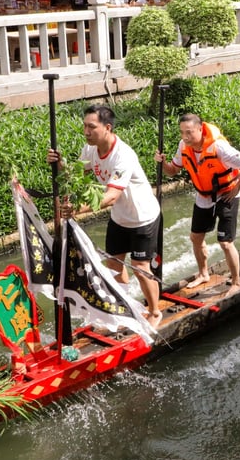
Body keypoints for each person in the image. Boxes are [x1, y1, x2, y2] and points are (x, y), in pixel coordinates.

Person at [47, 104, 163, 324]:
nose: (86, 132)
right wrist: (59, 163)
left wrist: (77, 210)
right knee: (114, 265)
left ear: (107, 127)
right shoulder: (90, 150)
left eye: (92, 127)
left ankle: (155, 312)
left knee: (140, 268)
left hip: (142, 217)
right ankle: (124, 308)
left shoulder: (123, 155)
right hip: (119, 218)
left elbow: (110, 197)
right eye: (84, 126)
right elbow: (74, 177)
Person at [157, 113, 240, 294]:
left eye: (189, 132)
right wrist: (163, 163)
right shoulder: (183, 146)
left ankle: (236, 283)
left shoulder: (219, 147)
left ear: (200, 129)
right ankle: (203, 274)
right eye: (182, 132)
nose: (185, 137)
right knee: (196, 237)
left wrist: (236, 189)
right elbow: (173, 171)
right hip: (204, 195)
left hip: (226, 194)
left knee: (225, 242)